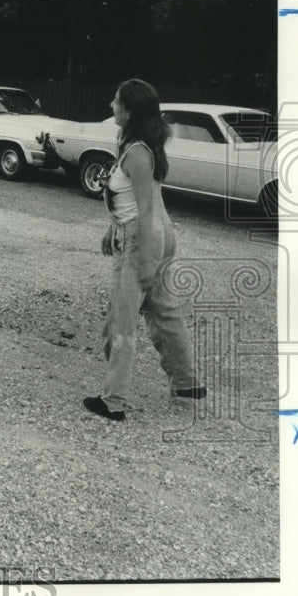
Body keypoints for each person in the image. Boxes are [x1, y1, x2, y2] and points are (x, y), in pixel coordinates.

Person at [83, 78, 205, 422]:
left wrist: (144, 258)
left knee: (121, 322)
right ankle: (186, 384)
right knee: (164, 311)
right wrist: (112, 228)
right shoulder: (136, 144)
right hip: (151, 233)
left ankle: (113, 401)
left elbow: (146, 208)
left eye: (116, 101)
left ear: (129, 110)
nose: (111, 105)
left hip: (143, 238)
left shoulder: (137, 152)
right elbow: (132, 200)